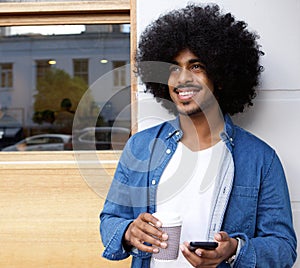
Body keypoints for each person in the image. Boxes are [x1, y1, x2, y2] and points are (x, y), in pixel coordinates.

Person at [100, 4, 297, 267]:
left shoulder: (261, 159)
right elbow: (110, 219)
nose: (181, 79)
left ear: (221, 75)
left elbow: (284, 247)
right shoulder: (141, 146)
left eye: (196, 66)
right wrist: (128, 231)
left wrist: (234, 250)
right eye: (173, 68)